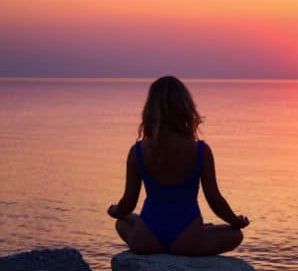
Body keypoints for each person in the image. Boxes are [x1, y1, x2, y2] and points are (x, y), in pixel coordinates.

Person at [107, 76, 249, 255]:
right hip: (187, 239)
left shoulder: (138, 151)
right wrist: (235, 220)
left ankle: (181, 234)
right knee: (235, 235)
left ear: (150, 110)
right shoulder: (200, 151)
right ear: (185, 108)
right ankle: (199, 231)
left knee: (122, 222)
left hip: (147, 237)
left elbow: (128, 202)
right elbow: (214, 199)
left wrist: (114, 210)